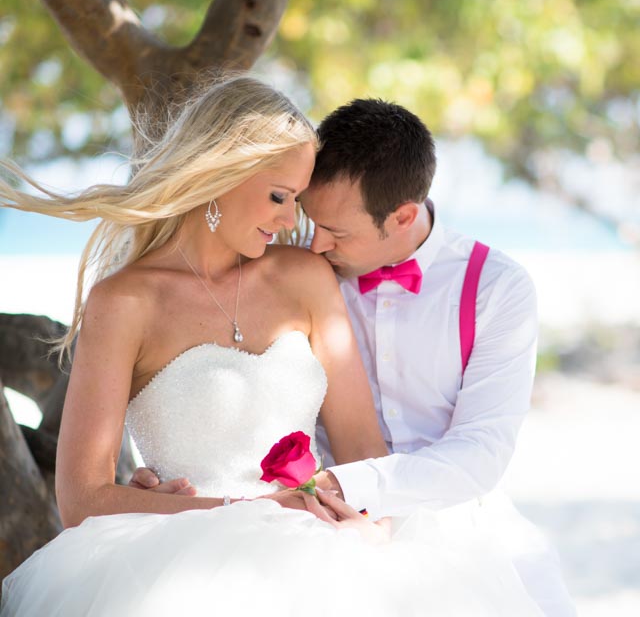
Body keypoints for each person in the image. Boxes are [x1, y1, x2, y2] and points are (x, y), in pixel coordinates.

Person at [0, 76, 544, 616]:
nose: (293, 225)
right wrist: (232, 510)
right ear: (219, 174)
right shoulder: (123, 302)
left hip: (327, 556)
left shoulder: (305, 277)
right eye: (281, 198)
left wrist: (373, 526)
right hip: (180, 566)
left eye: (297, 202)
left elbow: (364, 449)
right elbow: (82, 500)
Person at [134, 97, 575, 616]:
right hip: (305, 525)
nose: (315, 244)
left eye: (337, 233)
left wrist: (353, 489)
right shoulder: (297, 271)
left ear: (404, 216)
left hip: (452, 523)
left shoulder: (497, 289)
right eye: (310, 220)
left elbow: (480, 451)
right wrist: (165, 479)